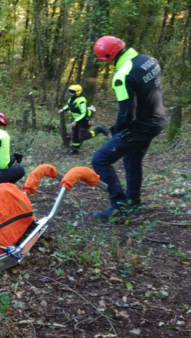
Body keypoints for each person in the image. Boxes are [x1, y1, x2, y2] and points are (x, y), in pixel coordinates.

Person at [90, 36, 167, 220]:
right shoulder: (149, 60)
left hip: (141, 125)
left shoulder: (122, 76)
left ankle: (119, 207)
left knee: (100, 160)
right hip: (157, 119)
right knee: (132, 160)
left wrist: (118, 130)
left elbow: (127, 112)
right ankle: (134, 203)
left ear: (106, 58)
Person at [56, 84, 109, 154]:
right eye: (70, 91)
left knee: (82, 136)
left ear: (77, 92)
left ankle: (99, 129)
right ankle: (75, 150)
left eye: (72, 92)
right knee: (74, 135)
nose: (70, 93)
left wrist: (75, 121)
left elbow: (84, 114)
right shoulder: (72, 99)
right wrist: (63, 109)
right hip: (76, 120)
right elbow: (70, 106)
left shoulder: (82, 101)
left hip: (83, 121)